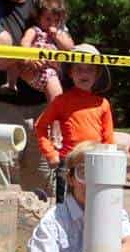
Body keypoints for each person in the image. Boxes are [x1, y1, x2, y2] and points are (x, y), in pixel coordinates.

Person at [34, 45, 115, 182]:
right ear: (70, 72)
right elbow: (40, 126)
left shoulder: (103, 103)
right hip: (68, 163)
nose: (84, 74)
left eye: (89, 69)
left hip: (96, 162)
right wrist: (50, 153)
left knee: (95, 202)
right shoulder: (61, 101)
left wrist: (109, 160)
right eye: (79, 69)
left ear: (97, 74)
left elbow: (109, 138)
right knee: (65, 203)